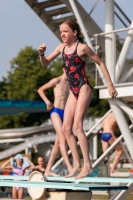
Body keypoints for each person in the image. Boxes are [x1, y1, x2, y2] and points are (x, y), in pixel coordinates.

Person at [38, 19, 118, 179]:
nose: (62, 34)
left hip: (83, 87)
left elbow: (100, 63)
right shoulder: (61, 48)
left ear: (74, 33)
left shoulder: (82, 48)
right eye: (61, 32)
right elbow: (45, 63)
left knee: (77, 125)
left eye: (65, 31)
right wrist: (41, 54)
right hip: (73, 91)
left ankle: (87, 165)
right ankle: (77, 165)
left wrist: (110, 84)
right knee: (66, 129)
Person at [38, 69, 74, 176]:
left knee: (57, 144)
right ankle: (70, 168)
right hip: (56, 112)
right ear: (63, 69)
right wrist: (48, 102)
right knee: (63, 138)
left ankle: (48, 169)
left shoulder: (71, 83)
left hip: (66, 113)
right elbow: (40, 90)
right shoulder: (57, 81)